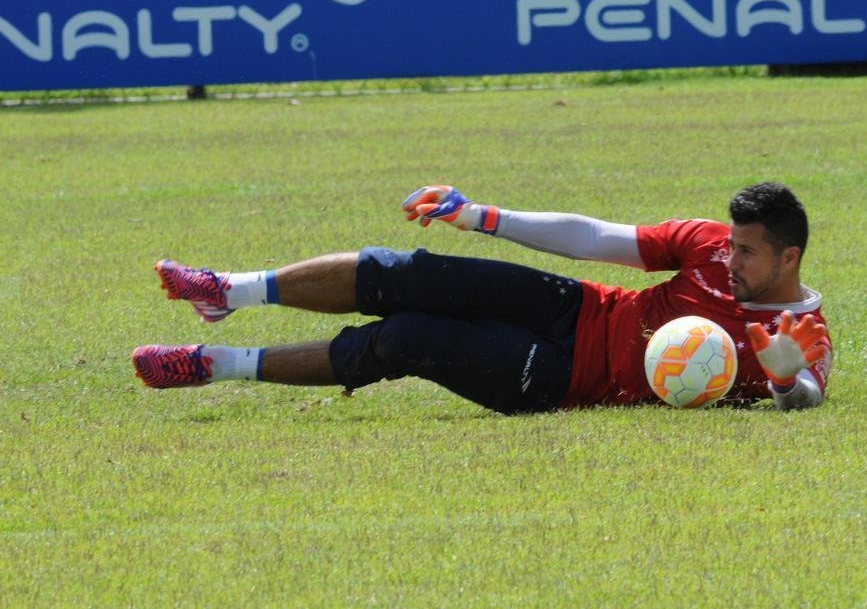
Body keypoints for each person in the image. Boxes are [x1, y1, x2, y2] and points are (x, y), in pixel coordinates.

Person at [132, 181, 831, 412]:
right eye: (731, 246)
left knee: (404, 338)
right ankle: (231, 289)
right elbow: (595, 238)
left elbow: (808, 393)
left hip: (566, 378)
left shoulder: (805, 331)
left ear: (788, 257)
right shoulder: (710, 243)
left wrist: (780, 384)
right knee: (408, 271)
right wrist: (481, 216)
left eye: (748, 252)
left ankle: (211, 361)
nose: (730, 258)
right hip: (578, 307)